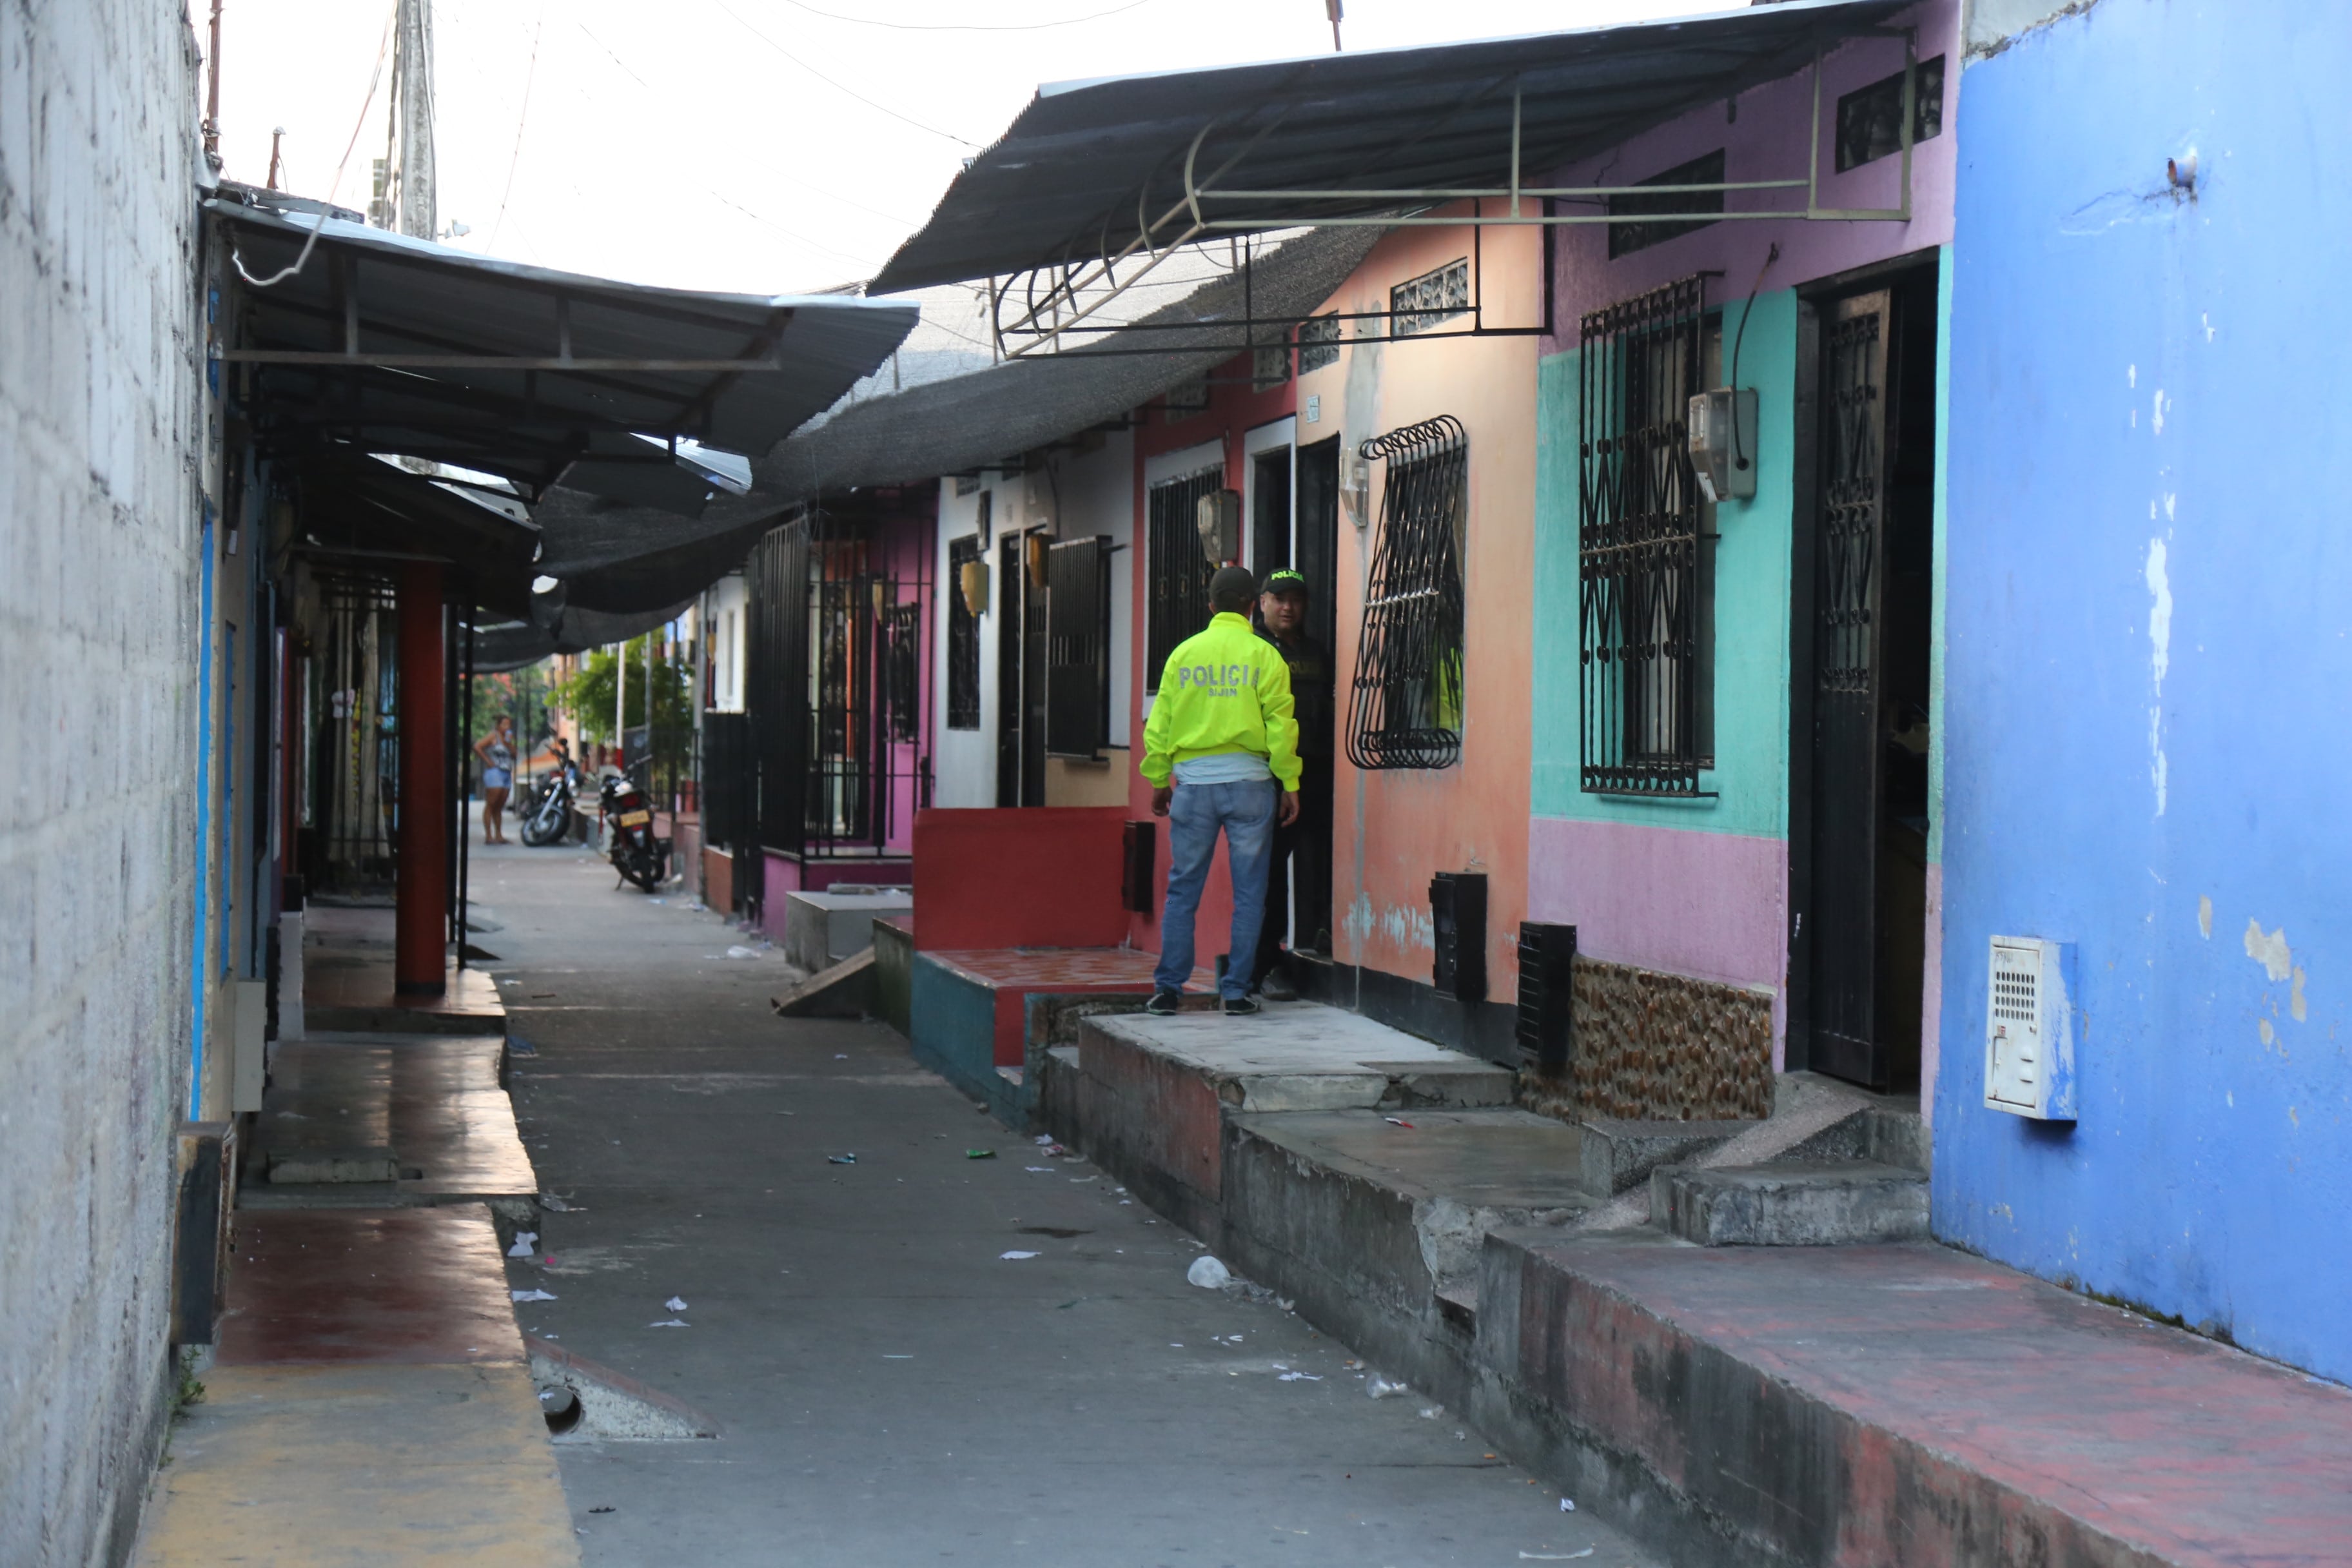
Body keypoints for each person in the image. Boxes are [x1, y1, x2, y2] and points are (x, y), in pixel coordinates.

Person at [1140, 565, 1302, 1017]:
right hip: (1252, 786)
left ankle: (1168, 991)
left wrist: (1158, 780)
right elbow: (1281, 725)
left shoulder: (1183, 655)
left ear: (1211, 607)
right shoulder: (1264, 654)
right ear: (1254, 606)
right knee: (1252, 893)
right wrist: (1289, 782)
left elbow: (1161, 725)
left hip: (1193, 786)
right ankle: (1235, 993)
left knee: (1183, 889)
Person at [1250, 569, 1335, 1001]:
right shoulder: (1254, 650)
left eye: (1296, 600)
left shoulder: (1317, 651)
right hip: (1271, 777)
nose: (1288, 607)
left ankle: (1319, 932)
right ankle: (1264, 964)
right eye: (1279, 598)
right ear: (1261, 602)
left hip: (1317, 773)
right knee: (1267, 875)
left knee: (1321, 861)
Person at [474, 714, 516, 844]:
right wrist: (488, 760)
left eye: (509, 725)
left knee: (500, 805)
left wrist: (509, 744)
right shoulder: (494, 736)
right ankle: (488, 835)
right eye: (504, 724)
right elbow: (477, 746)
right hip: (495, 772)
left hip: (506, 772)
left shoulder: (508, 739)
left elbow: (515, 755)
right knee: (491, 803)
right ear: (498, 726)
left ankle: (499, 834)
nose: (507, 727)